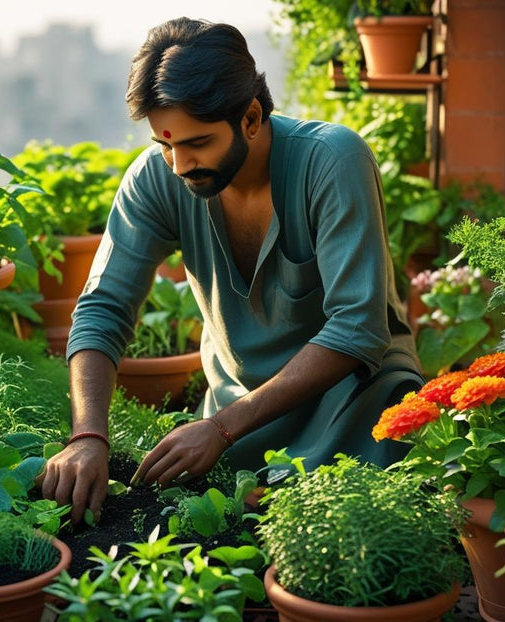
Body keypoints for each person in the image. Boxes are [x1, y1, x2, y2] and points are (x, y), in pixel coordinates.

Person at [39, 17, 422, 523]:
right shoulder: (157, 179)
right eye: (165, 145)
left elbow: (358, 329)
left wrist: (221, 429)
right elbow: (102, 307)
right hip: (238, 417)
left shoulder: (331, 161)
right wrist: (88, 435)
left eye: (196, 143)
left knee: (359, 524)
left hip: (353, 407)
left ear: (250, 117)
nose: (178, 164)